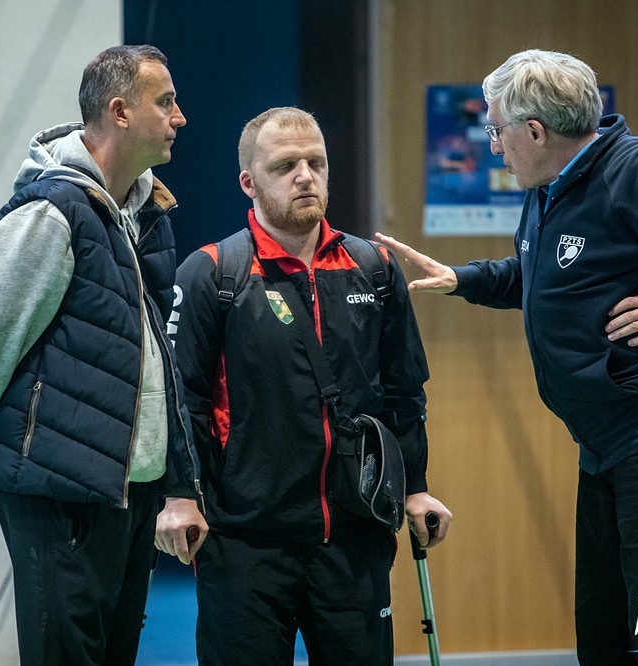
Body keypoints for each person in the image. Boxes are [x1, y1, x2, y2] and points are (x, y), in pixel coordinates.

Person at [377, 50, 638, 665]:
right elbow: (549, 277)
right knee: (604, 635)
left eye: (496, 131)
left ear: (534, 131)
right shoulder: (551, 185)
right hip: (604, 439)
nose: (493, 146)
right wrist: (463, 279)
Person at [156, 106, 452, 665]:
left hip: (355, 534)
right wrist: (179, 496)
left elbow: (404, 392)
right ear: (249, 182)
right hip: (244, 541)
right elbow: (180, 399)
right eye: (285, 165)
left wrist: (414, 487)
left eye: (316, 163)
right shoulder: (212, 272)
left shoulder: (374, 268)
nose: (305, 177)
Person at [0, 45, 207, 665]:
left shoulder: (145, 215)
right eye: (166, 102)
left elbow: (157, 363)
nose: (180, 117)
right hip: (59, 489)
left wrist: (173, 478)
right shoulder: (50, 211)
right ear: (120, 112)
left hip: (126, 490)